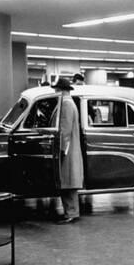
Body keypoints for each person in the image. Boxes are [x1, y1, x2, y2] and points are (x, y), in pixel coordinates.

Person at [53, 78, 84, 224]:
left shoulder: (66, 104)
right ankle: (70, 212)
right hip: (71, 148)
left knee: (68, 182)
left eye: (56, 90)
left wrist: (61, 149)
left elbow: (65, 130)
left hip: (68, 149)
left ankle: (71, 213)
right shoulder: (70, 103)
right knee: (68, 181)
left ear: (61, 90)